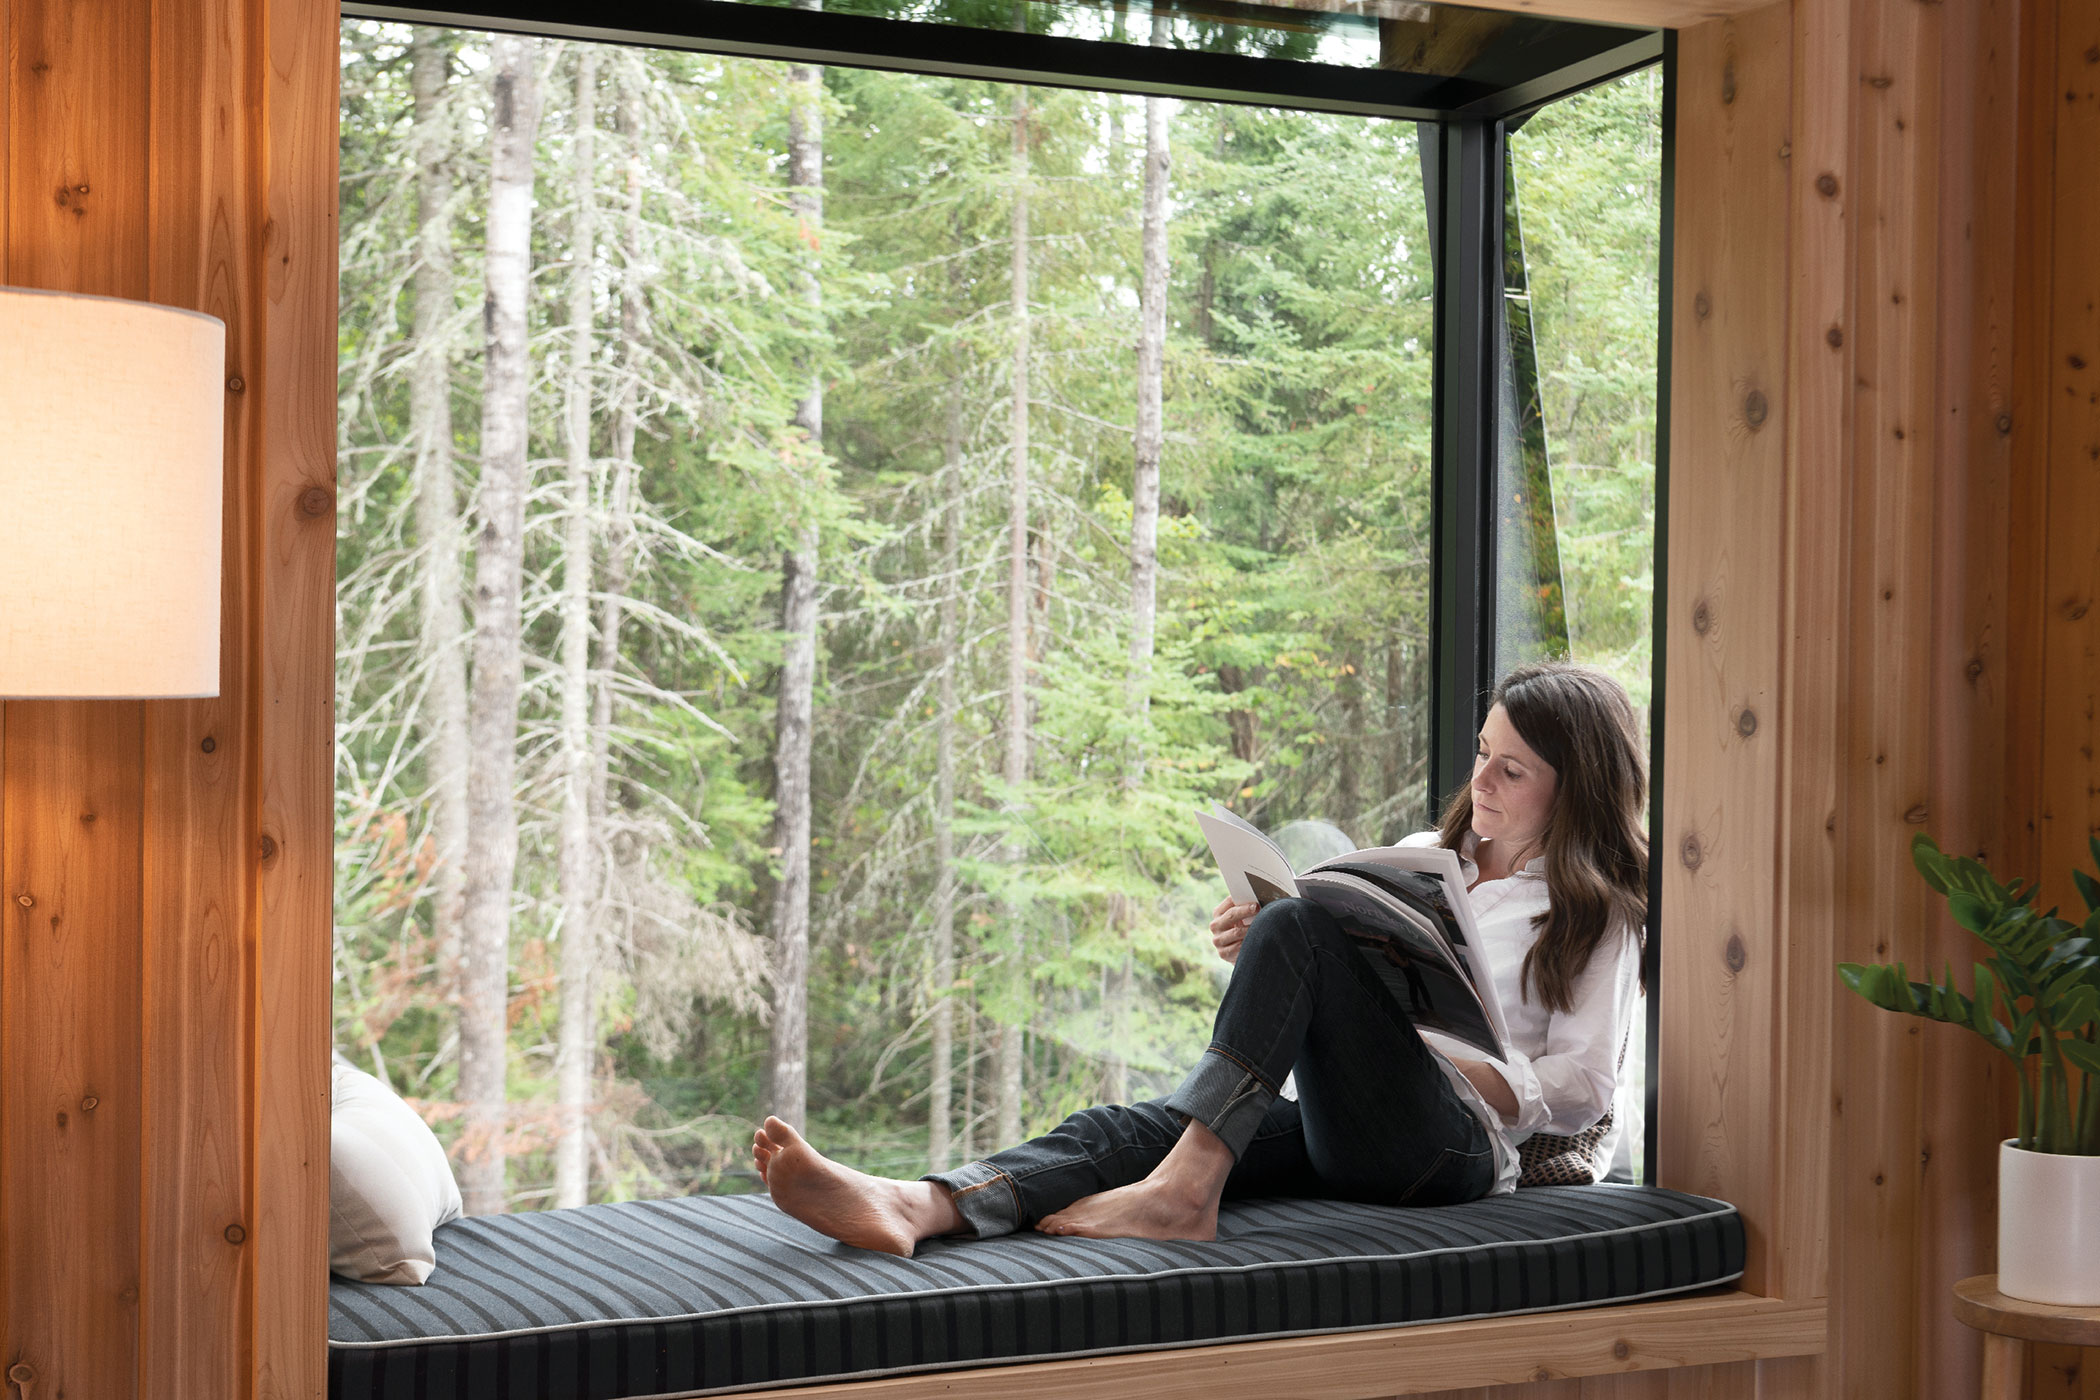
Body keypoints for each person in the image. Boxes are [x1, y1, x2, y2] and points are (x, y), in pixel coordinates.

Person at [750, 661, 1649, 1256]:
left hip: (1454, 1150)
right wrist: (1262, 942)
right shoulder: (1428, 856)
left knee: (1287, 961)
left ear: (1580, 788)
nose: (1480, 782)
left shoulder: (1593, 911)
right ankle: (920, 1204)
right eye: (1483, 756)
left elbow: (1583, 1085)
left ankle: (1185, 1194)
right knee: (1130, 1129)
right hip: (1357, 1122)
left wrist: (1471, 1066)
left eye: (1512, 771)